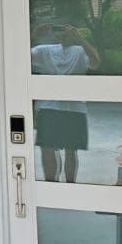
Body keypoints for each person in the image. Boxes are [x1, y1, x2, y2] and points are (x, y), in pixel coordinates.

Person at [30, 23, 101, 183]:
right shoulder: (45, 49)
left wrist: (80, 39)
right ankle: (51, 185)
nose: (63, 33)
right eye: (60, 30)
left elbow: (96, 62)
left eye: (67, 30)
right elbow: (21, 60)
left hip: (74, 107)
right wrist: (34, 36)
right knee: (47, 149)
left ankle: (70, 186)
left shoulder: (80, 50)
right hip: (48, 106)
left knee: (71, 150)